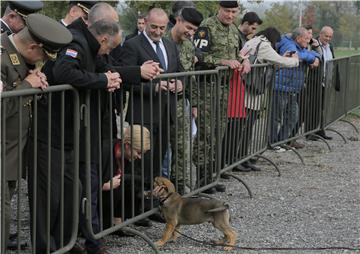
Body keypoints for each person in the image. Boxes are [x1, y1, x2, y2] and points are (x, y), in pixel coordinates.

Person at [34, 3, 161, 254]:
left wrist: (112, 77)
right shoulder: (77, 41)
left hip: (74, 131)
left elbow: (104, 68)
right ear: (103, 38)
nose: (107, 54)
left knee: (73, 191)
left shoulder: (92, 45)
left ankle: (65, 242)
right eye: (108, 48)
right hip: (54, 129)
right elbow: (64, 71)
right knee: (52, 197)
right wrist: (102, 80)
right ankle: (48, 247)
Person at [1, 13, 72, 253]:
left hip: (11, 152)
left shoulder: (18, 57)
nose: (42, 61)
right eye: (43, 55)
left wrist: (34, 87)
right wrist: (26, 86)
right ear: (32, 46)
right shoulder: (1, 57)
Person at [118, 8, 182, 192]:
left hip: (164, 113)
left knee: (157, 160)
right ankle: (136, 204)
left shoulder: (170, 45)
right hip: (143, 114)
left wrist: (179, 84)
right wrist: (152, 87)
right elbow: (126, 79)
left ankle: (152, 202)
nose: (158, 31)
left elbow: (179, 71)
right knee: (139, 162)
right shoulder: (132, 45)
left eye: (162, 28)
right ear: (145, 22)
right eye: (154, 27)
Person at [193, 0, 250, 194]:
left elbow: (238, 53)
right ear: (219, 8)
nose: (230, 15)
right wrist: (222, 61)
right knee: (205, 134)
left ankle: (212, 176)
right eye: (227, 11)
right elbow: (197, 56)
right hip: (207, 88)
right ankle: (201, 179)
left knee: (219, 133)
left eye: (234, 12)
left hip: (224, 88)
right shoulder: (207, 27)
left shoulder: (233, 30)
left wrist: (245, 60)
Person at [165, 7, 203, 194]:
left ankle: (181, 189)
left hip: (181, 105)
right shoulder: (161, 38)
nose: (190, 32)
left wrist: (194, 103)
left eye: (194, 30)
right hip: (160, 104)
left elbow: (191, 76)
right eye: (188, 27)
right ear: (178, 20)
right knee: (162, 153)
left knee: (183, 150)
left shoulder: (189, 46)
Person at [225, 11, 263, 173]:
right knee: (232, 128)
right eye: (253, 28)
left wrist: (245, 60)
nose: (253, 32)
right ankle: (228, 162)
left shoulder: (243, 38)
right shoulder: (235, 35)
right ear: (246, 23)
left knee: (237, 127)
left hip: (237, 85)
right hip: (231, 86)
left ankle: (232, 161)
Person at [271, 27, 320, 145]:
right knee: (275, 118)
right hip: (281, 87)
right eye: (306, 39)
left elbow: (304, 54)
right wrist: (313, 56)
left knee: (293, 116)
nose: (308, 42)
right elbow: (296, 55)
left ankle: (281, 141)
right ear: (298, 38)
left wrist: (314, 55)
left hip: (292, 88)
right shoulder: (289, 44)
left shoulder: (299, 45)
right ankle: (271, 142)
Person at [102, 125, 151, 231]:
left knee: (132, 180)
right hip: (97, 197)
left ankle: (117, 220)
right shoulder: (104, 150)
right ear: (127, 145)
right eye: (138, 152)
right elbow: (87, 179)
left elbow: (139, 179)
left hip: (111, 198)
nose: (140, 156)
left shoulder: (129, 157)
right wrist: (103, 186)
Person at [309, 26, 335, 140]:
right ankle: (310, 132)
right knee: (313, 107)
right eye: (326, 36)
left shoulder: (330, 47)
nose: (328, 38)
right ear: (320, 34)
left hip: (325, 82)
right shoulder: (313, 45)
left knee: (322, 108)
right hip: (314, 81)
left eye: (330, 36)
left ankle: (320, 130)